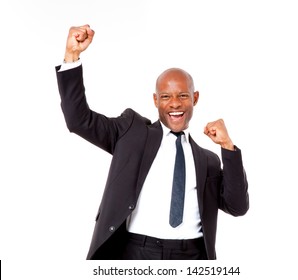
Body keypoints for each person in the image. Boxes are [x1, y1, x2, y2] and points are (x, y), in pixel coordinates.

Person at [55, 24, 249, 260]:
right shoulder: (131, 132)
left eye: (183, 95)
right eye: (166, 97)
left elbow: (238, 207)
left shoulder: (207, 160)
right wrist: (72, 56)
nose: (175, 104)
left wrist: (228, 147)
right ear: (156, 100)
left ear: (195, 98)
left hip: (192, 256)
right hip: (137, 253)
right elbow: (78, 121)